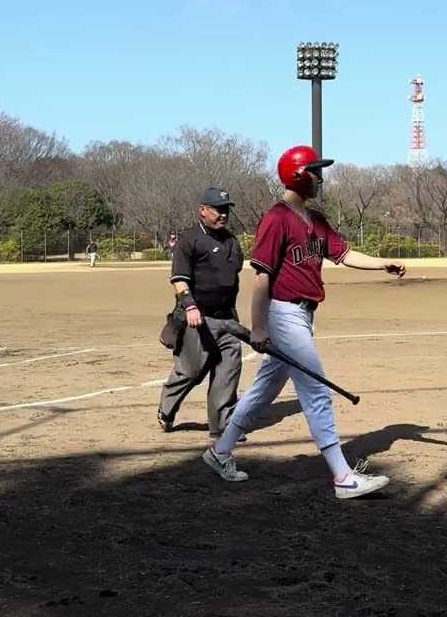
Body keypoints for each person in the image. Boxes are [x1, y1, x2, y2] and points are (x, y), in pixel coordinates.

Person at [202, 145, 407, 500]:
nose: (320, 177)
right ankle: (343, 478)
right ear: (298, 175)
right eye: (314, 171)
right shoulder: (277, 219)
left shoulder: (314, 219)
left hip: (302, 315)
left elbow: (342, 253)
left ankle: (220, 452)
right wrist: (259, 327)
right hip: (283, 314)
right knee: (316, 392)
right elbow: (262, 278)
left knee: (265, 388)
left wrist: (381, 262)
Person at [157, 187, 247, 440]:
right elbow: (179, 279)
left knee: (228, 371)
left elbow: (233, 277)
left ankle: (222, 426)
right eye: (218, 209)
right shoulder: (190, 240)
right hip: (197, 318)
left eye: (227, 209)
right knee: (191, 372)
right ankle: (166, 410)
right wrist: (190, 306)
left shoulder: (232, 242)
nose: (224, 214)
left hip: (227, 318)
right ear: (203, 210)